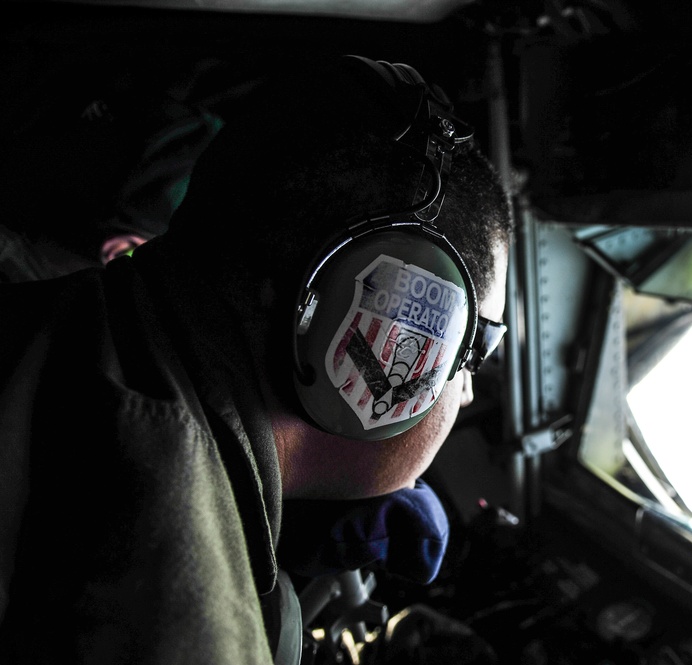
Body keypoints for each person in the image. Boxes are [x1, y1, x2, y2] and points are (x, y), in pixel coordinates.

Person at [0, 54, 513, 664]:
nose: (469, 394)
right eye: (474, 348)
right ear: (393, 331)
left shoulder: (67, 317)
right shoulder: (179, 634)